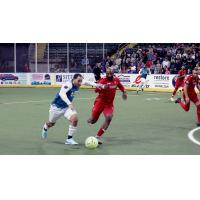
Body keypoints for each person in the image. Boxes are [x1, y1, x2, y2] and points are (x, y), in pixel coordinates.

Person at [41, 73, 104, 145]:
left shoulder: (78, 83)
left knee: (75, 119)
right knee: (51, 123)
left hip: (67, 108)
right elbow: (62, 94)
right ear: (74, 79)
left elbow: (86, 82)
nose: (80, 83)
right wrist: (69, 103)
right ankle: (45, 127)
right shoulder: (68, 85)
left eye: (81, 81)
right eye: (79, 81)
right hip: (56, 107)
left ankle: (69, 139)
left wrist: (97, 85)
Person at [87, 67, 127, 144]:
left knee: (109, 118)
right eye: (107, 73)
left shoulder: (116, 80)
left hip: (109, 104)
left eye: (110, 73)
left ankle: (98, 137)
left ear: (113, 73)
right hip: (100, 102)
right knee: (93, 121)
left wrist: (124, 92)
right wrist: (102, 87)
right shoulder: (102, 80)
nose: (109, 75)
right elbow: (96, 90)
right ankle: (90, 120)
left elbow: (120, 86)